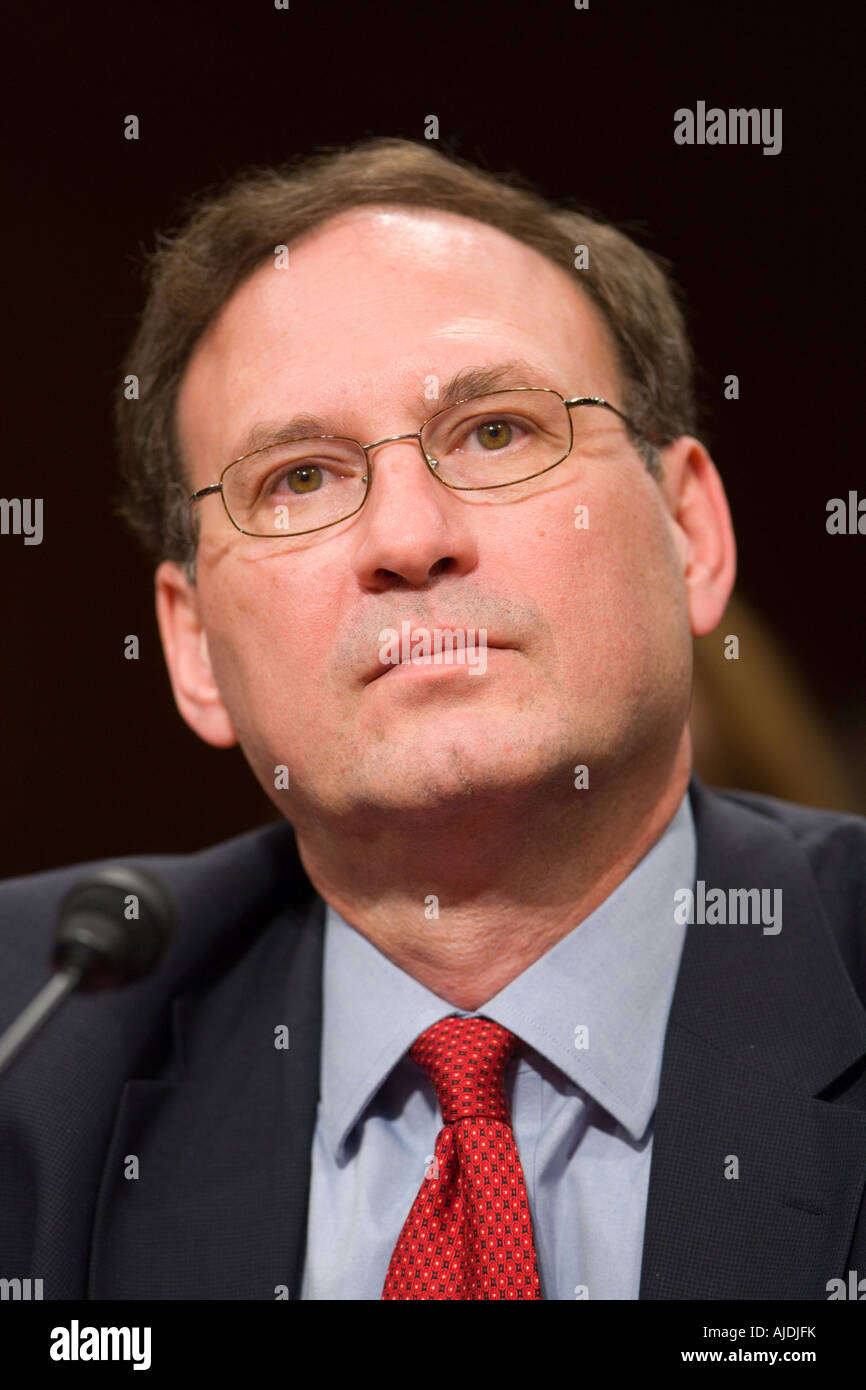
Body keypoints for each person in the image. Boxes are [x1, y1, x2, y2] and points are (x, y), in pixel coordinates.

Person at [2, 138, 865, 1302]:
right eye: (297, 478)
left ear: (688, 535)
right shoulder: (36, 1036)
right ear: (194, 647)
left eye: (495, 432)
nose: (409, 540)